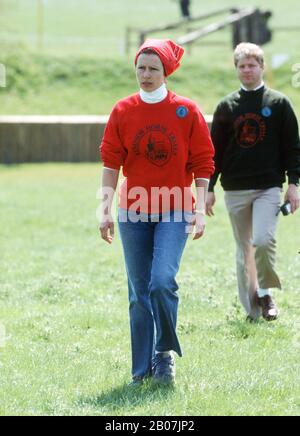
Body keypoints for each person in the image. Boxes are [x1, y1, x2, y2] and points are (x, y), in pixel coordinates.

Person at [99, 39, 215, 385]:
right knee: (138, 293)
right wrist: (103, 209)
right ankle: (140, 371)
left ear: (166, 73)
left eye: (153, 69)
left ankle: (163, 352)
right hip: (132, 212)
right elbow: (110, 163)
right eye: (141, 68)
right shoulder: (123, 110)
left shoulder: (187, 111)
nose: (145, 75)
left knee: (162, 282)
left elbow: (203, 162)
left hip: (175, 208)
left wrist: (199, 208)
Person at [206, 43, 300, 322]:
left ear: (262, 67)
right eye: (242, 66)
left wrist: (293, 184)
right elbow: (215, 151)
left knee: (262, 239)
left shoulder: (279, 103)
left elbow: (293, 147)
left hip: (268, 187)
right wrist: (209, 188)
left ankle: (266, 293)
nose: (247, 70)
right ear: (236, 69)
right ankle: (253, 311)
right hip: (234, 188)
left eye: (252, 65)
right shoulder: (226, 106)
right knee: (244, 248)